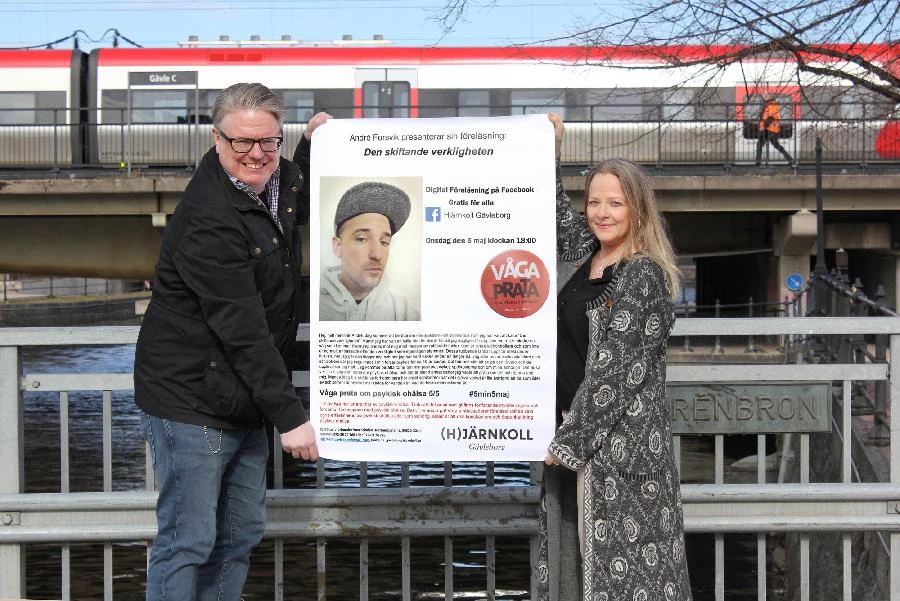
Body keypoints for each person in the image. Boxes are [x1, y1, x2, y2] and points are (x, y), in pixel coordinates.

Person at [134, 82, 329, 601]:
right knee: (188, 541)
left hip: (241, 397)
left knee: (238, 536)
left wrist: (311, 147)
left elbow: (301, 197)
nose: (256, 154)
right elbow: (242, 330)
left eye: (269, 140)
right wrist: (291, 416)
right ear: (217, 138)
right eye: (242, 143)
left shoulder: (277, 177)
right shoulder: (207, 220)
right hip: (191, 399)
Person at [538, 113, 692, 600]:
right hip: (578, 440)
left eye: (615, 203)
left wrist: (566, 445)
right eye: (594, 202)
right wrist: (549, 150)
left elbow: (616, 375)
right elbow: (553, 214)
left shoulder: (641, 276)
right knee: (580, 567)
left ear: (638, 211)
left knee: (624, 579)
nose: (601, 213)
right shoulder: (589, 255)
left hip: (620, 454)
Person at [319, 180, 420, 320]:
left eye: (384, 242)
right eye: (361, 239)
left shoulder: (406, 313)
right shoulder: (315, 307)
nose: (377, 255)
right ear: (338, 246)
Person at [755, 96, 794, 166]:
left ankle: (790, 160)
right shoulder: (769, 105)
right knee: (763, 144)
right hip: (769, 129)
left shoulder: (772, 105)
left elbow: (771, 117)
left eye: (765, 97)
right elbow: (766, 117)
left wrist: (763, 126)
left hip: (770, 129)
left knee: (773, 145)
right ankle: (790, 160)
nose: (764, 98)